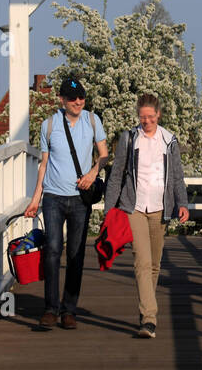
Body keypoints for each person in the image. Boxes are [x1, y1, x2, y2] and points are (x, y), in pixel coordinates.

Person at [24, 78, 108, 330]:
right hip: (53, 197)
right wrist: (36, 197)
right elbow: (44, 163)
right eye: (73, 98)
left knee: (75, 254)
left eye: (81, 96)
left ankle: (69, 309)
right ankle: (50, 308)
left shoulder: (93, 121)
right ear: (62, 99)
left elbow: (104, 155)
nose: (78, 101)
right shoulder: (48, 125)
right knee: (51, 249)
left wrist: (94, 172)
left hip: (80, 199)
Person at [104, 93, 189, 338]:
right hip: (135, 206)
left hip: (160, 207)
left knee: (154, 264)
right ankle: (149, 318)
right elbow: (117, 174)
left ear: (158, 115)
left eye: (151, 117)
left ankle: (145, 313)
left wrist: (182, 203)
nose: (146, 121)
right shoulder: (129, 138)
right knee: (141, 261)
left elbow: (176, 176)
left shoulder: (168, 140)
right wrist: (110, 209)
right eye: (142, 117)